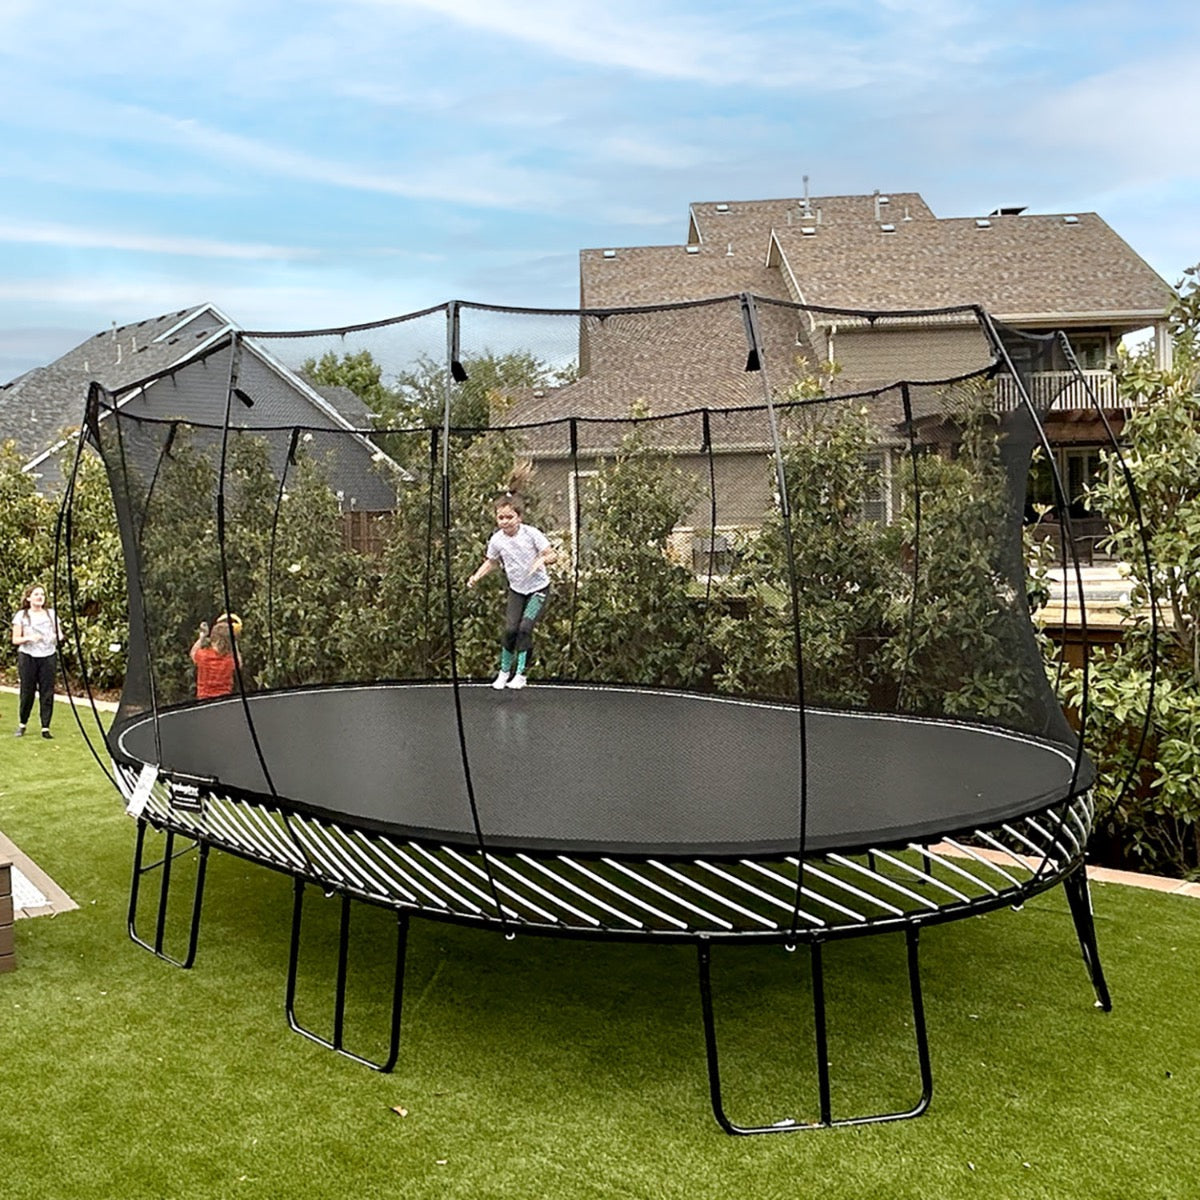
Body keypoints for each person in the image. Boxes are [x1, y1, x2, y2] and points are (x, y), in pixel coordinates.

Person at [467, 466, 556, 690]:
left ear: (519, 517)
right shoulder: (497, 540)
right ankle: (504, 672)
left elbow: (552, 555)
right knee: (510, 630)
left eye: (509, 517)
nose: (505, 521)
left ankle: (521, 674)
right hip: (517, 590)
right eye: (501, 518)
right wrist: (476, 577)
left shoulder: (531, 534)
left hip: (538, 590)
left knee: (525, 628)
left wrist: (542, 561)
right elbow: (491, 562)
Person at [11, 583, 63, 739]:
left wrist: (55, 637)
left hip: (48, 656)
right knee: (27, 692)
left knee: (47, 692)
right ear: (28, 598)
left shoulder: (51, 614)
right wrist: (29, 638)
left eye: (42, 594)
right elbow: (15, 639)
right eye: (36, 594)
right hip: (28, 656)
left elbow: (60, 635)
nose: (40, 597)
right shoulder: (22, 615)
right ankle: (22, 724)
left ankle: (45, 727)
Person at [189, 612, 243, 699]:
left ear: (213, 639)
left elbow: (193, 653)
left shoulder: (204, 656)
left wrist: (202, 636)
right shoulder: (229, 660)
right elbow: (239, 664)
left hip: (204, 699)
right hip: (224, 699)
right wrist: (234, 643)